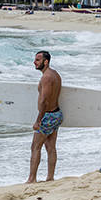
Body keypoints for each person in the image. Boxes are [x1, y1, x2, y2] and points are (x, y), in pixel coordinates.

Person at [27, 51, 62, 183]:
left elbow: (44, 101)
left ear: (45, 62)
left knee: (35, 147)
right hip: (57, 114)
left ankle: (32, 179)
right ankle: (50, 178)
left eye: (37, 60)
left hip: (48, 116)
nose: (34, 62)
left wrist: (38, 120)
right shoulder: (55, 74)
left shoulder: (46, 77)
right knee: (51, 147)